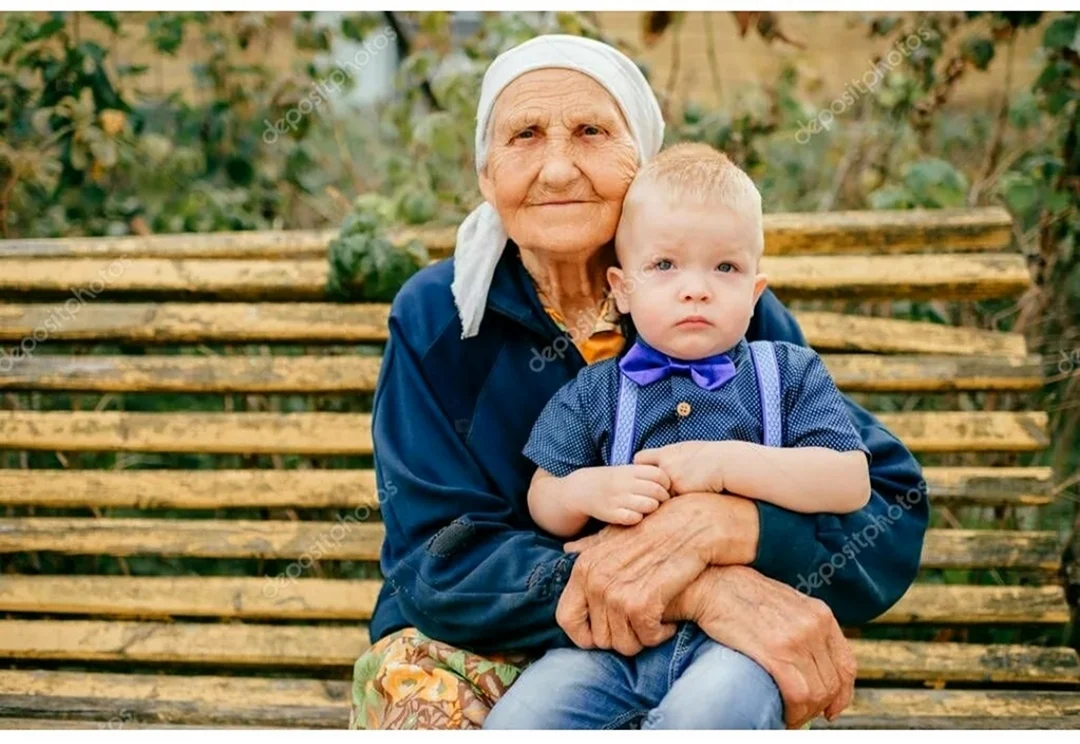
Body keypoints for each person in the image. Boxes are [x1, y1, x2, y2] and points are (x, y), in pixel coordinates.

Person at [351, 34, 927, 731]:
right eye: (525, 135)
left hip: (707, 661)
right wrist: (695, 584)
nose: (558, 169)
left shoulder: (714, 306)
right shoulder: (438, 318)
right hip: (483, 644)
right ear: (485, 174)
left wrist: (736, 526)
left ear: (642, 161)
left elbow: (885, 504)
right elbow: (436, 554)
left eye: (591, 132)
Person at [483, 143, 871, 729]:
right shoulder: (596, 390)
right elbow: (544, 495)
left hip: (741, 644)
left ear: (756, 291)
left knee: (711, 716)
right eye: (665, 266)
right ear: (622, 288)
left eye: (725, 268)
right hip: (613, 643)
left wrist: (727, 465)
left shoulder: (787, 373)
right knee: (523, 721)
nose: (697, 288)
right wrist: (585, 491)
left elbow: (850, 482)